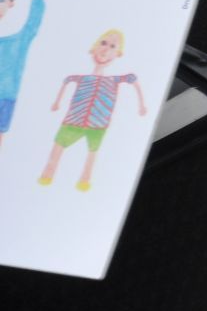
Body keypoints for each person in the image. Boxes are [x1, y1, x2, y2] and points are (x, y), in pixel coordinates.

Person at [37, 30, 142, 192]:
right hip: (73, 120)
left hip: (98, 124)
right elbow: (66, 82)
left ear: (118, 54)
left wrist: (141, 106)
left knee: (92, 153)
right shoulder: (82, 78)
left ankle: (84, 179)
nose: (106, 50)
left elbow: (132, 80)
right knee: (58, 147)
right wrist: (57, 102)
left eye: (112, 46)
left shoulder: (114, 80)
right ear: (94, 48)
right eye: (103, 43)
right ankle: (47, 174)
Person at [0, 0, 46, 151]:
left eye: (1, 0)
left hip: (5, 99)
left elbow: (31, 27)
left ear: (11, 4)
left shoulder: (18, 41)